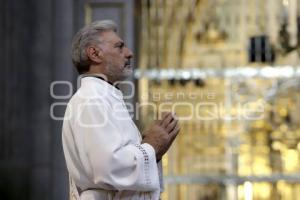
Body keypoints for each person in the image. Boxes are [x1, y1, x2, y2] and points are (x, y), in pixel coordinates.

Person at [62, 20, 180, 200]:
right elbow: (108, 168)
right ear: (94, 53)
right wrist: (152, 146)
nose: (129, 53)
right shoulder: (91, 99)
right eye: (119, 47)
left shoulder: (103, 96)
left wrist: (153, 149)